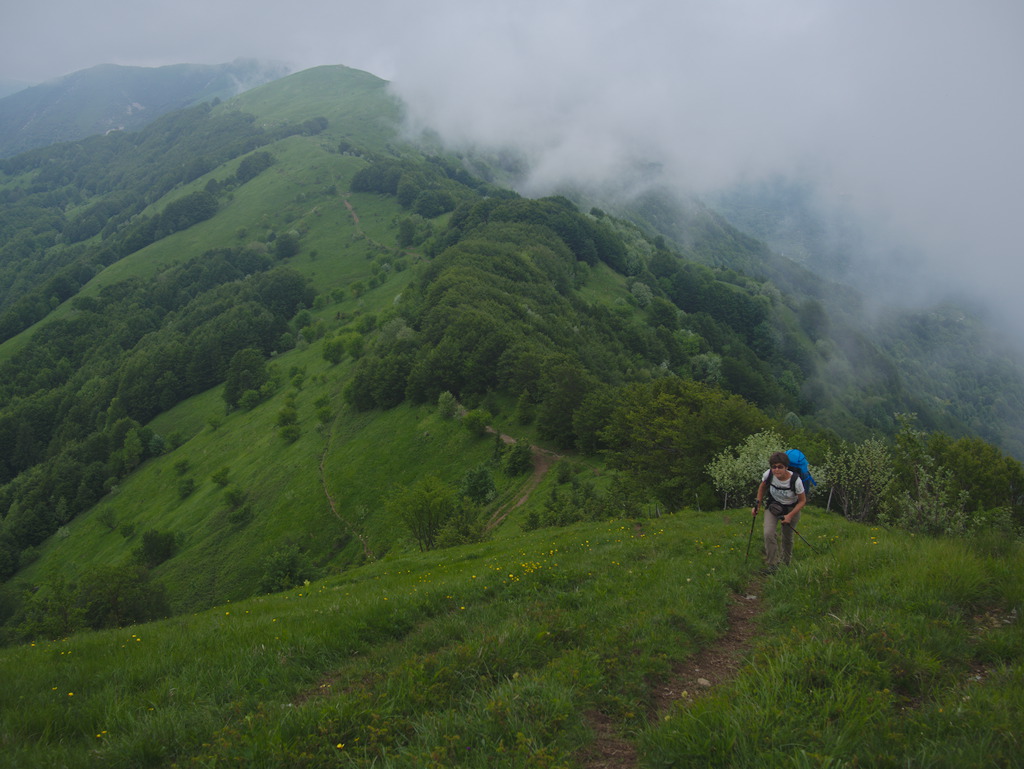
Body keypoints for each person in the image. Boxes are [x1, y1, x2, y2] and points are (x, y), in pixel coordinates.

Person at [750, 452, 807, 572]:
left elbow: (802, 501)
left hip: (792, 509)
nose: (776, 470)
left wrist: (790, 516)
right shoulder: (768, 474)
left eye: (780, 467)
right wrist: (757, 505)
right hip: (773, 506)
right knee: (768, 533)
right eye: (774, 466)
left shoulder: (796, 481)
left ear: (786, 467)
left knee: (787, 537)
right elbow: (762, 487)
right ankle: (772, 565)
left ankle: (786, 563)